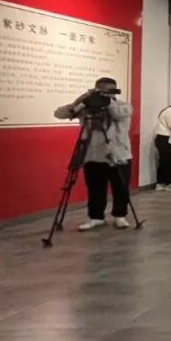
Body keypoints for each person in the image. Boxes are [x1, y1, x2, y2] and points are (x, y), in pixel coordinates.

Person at [53, 77, 134, 231]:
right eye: (101, 91)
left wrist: (107, 102)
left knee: (121, 187)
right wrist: (79, 101)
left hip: (118, 154)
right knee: (95, 188)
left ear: (115, 91)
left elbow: (118, 114)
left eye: (109, 91)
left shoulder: (123, 106)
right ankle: (96, 217)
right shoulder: (87, 107)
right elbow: (59, 114)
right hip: (93, 155)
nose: (105, 94)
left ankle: (120, 216)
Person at [153, 103, 171, 190]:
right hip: (164, 138)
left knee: (166, 160)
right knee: (166, 161)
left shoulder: (169, 110)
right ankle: (167, 182)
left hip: (164, 138)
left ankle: (163, 182)